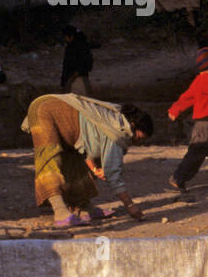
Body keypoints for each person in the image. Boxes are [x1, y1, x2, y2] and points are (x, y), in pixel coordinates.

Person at [22, 94, 153, 227]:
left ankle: (83, 206)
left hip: (63, 121)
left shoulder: (115, 124)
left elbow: (88, 148)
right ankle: (60, 212)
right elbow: (113, 174)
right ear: (133, 125)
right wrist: (131, 206)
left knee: (74, 162)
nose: (137, 143)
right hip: (46, 110)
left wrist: (94, 167)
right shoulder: (117, 132)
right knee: (49, 159)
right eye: (139, 138)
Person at [168, 47, 208, 192]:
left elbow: (188, 97)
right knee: (196, 154)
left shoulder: (202, 80)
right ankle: (178, 178)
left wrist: (175, 109)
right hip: (204, 125)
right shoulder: (206, 79)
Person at [60, 25, 94, 95]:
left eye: (65, 37)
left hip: (77, 81)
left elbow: (82, 65)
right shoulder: (81, 46)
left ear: (71, 36)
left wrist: (69, 80)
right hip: (79, 80)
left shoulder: (75, 48)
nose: (65, 39)